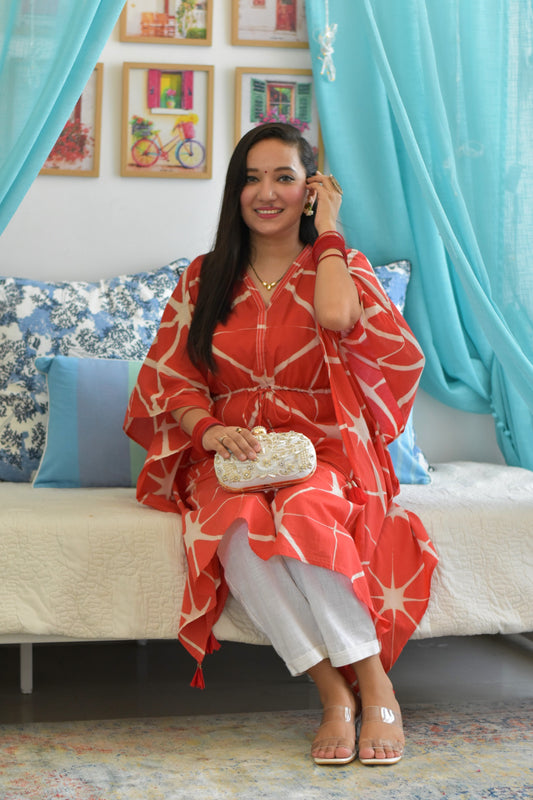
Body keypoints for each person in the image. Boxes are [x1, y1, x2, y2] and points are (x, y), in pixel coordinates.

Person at [124, 122, 438, 767]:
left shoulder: (338, 263)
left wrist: (330, 236)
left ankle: (374, 679)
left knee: (303, 512)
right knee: (232, 529)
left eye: (285, 178)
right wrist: (211, 432)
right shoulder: (205, 276)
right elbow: (172, 377)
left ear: (312, 190)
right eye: (251, 178)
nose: (265, 193)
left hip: (320, 447)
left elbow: (338, 319)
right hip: (230, 453)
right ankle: (333, 692)